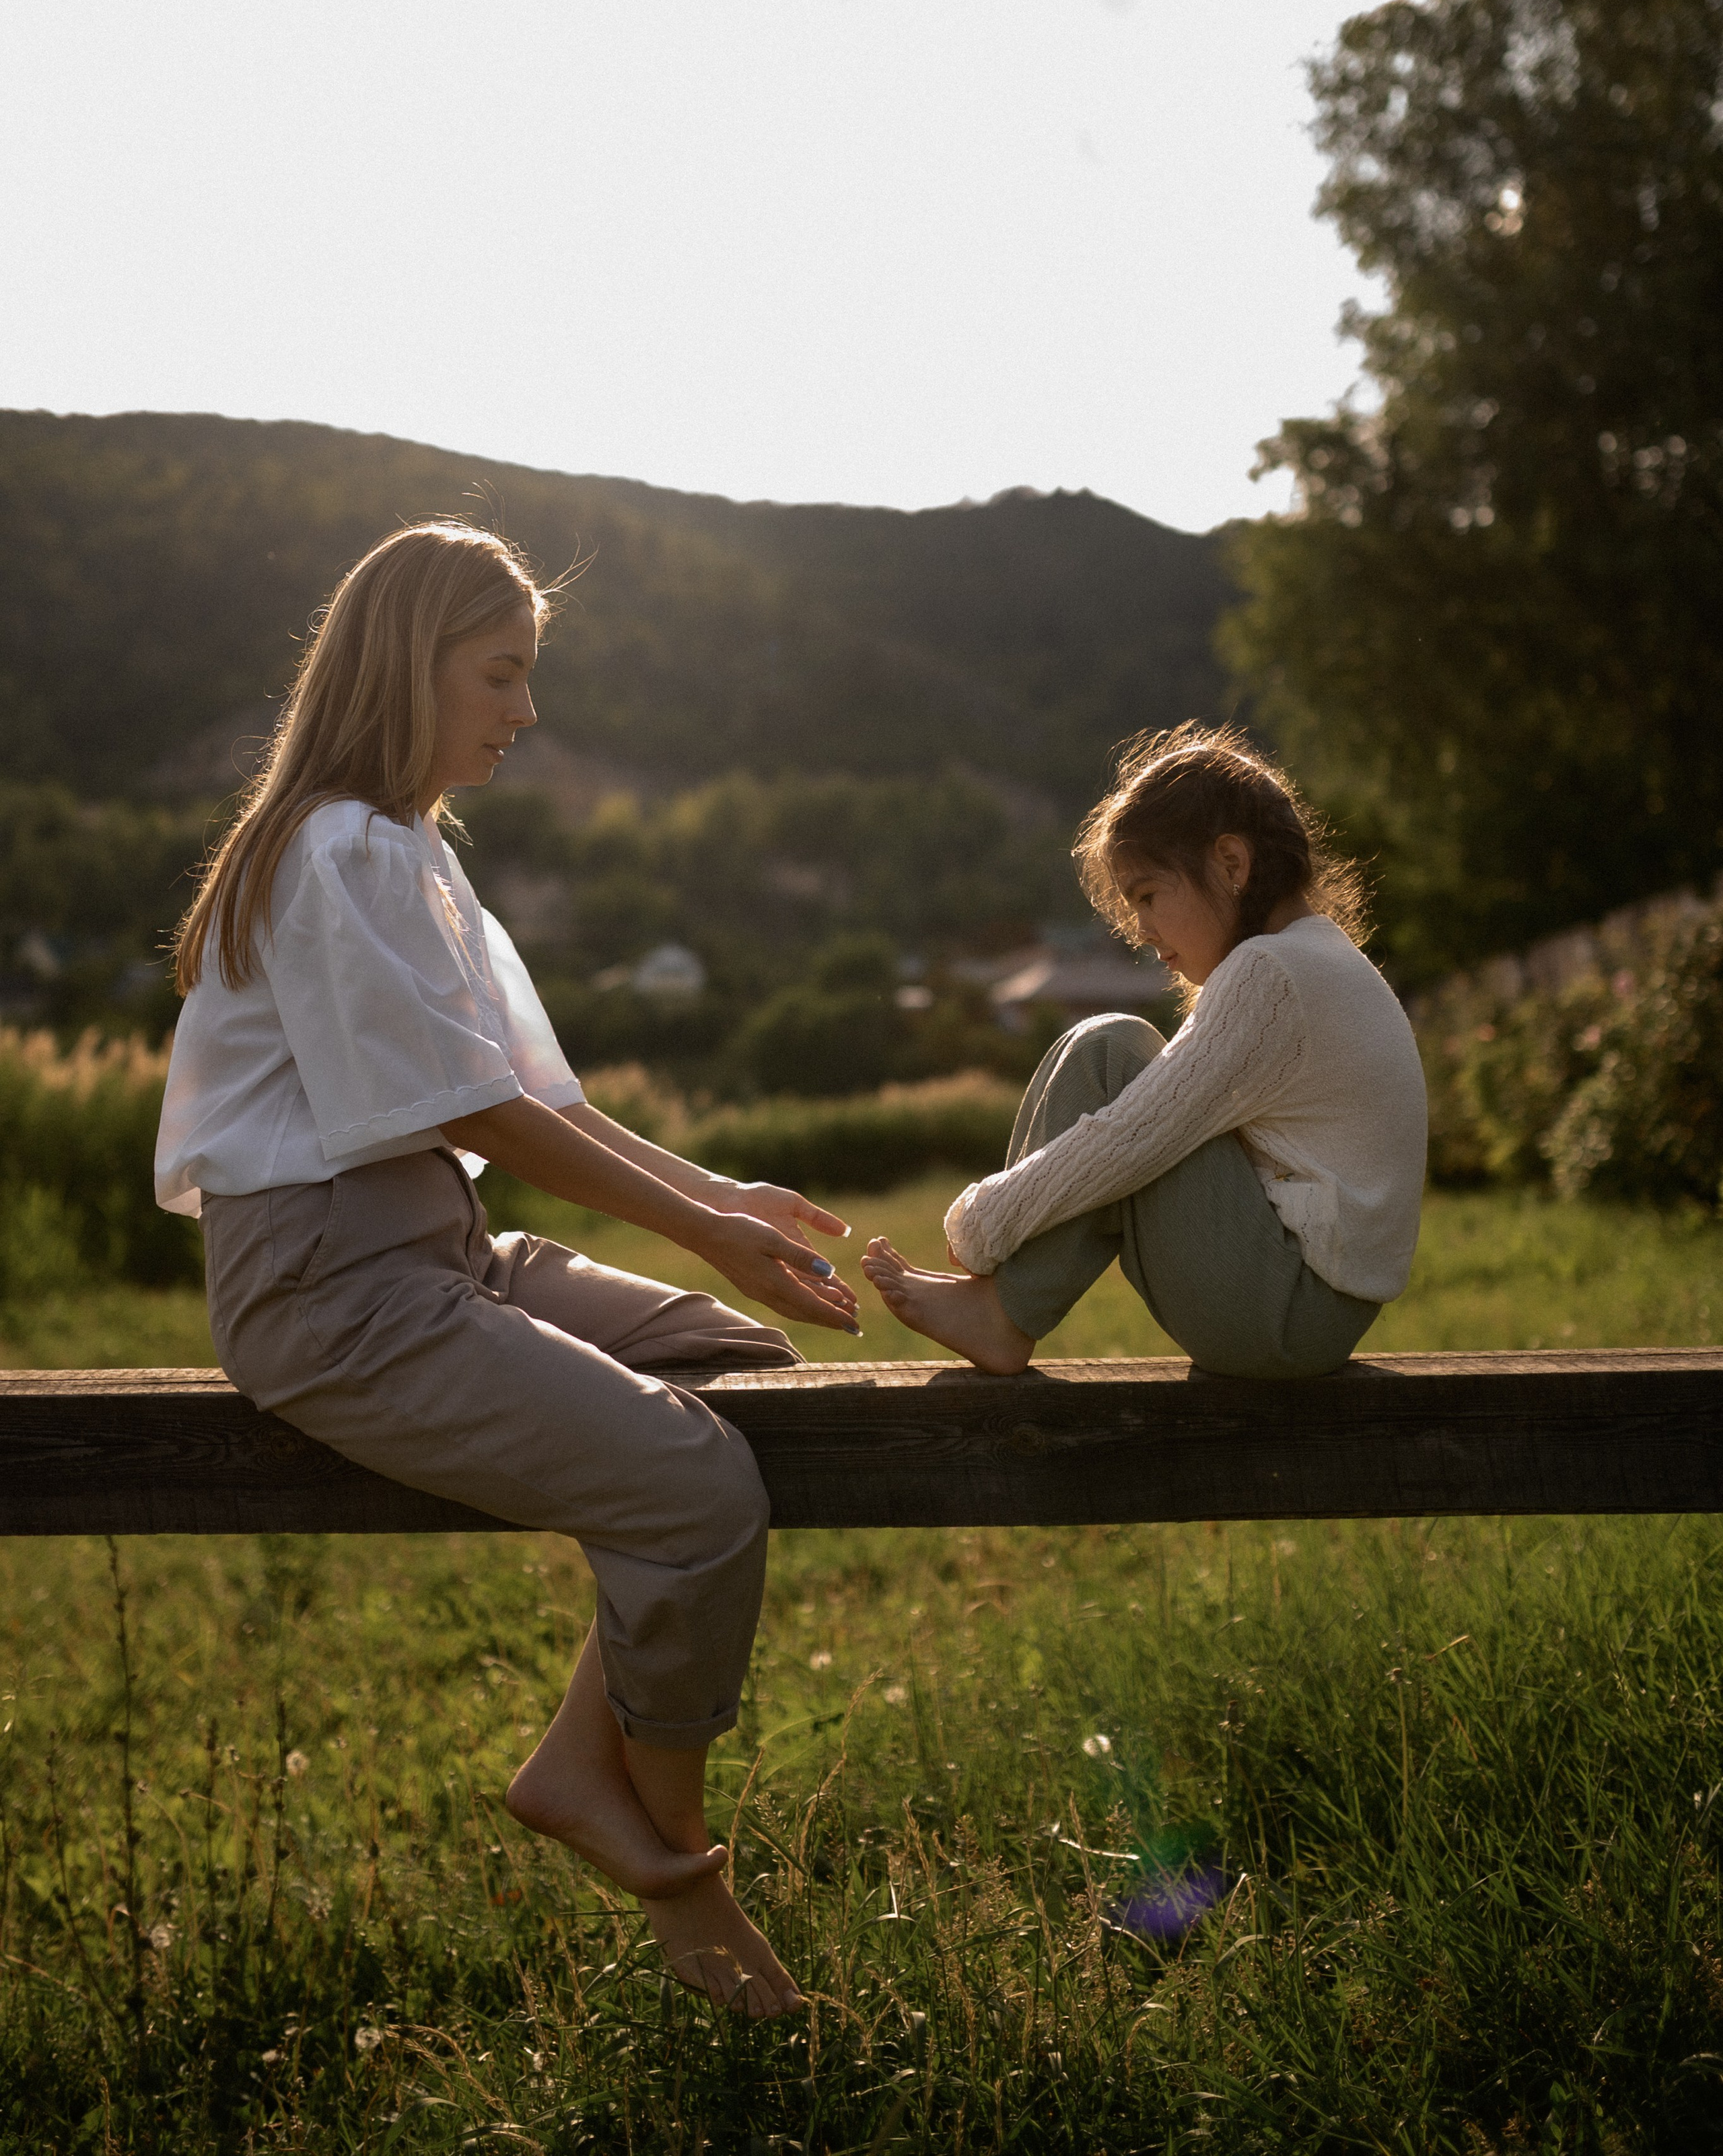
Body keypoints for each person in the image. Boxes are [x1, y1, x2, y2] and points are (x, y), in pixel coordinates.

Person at [155, 519, 859, 2018]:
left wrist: (715, 1195)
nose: (523, 711)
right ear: (409, 665)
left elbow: (537, 1101)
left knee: (741, 1363)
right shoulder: (334, 846)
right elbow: (458, 1109)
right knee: (695, 1486)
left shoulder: (409, 852)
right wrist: (697, 1227)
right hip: (330, 1289)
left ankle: (575, 1768)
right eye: (501, 672)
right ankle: (682, 1875)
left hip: (437, 1247)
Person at [862, 725, 1427, 1380]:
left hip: (1283, 1313)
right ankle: (1003, 1308)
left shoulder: (1269, 972)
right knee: (1111, 1048)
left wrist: (981, 1221)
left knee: (1109, 1052)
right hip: (1307, 1313)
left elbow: (1131, 1138)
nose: (1141, 930)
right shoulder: (1317, 957)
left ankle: (1002, 1312)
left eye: (1148, 896)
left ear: (1231, 865)